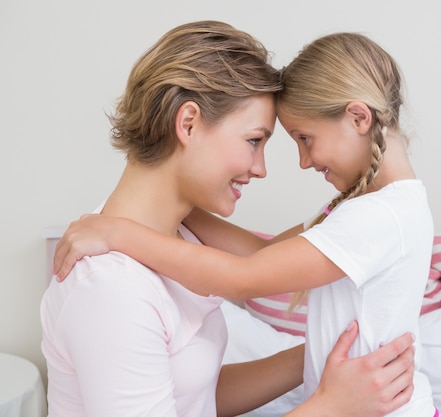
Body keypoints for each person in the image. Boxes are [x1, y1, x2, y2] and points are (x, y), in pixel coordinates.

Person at [41, 21, 418, 417]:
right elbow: (247, 273)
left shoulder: (180, 236)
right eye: (254, 141)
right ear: (187, 124)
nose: (261, 169)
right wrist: (331, 408)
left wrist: (325, 358)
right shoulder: (109, 287)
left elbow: (193, 397)